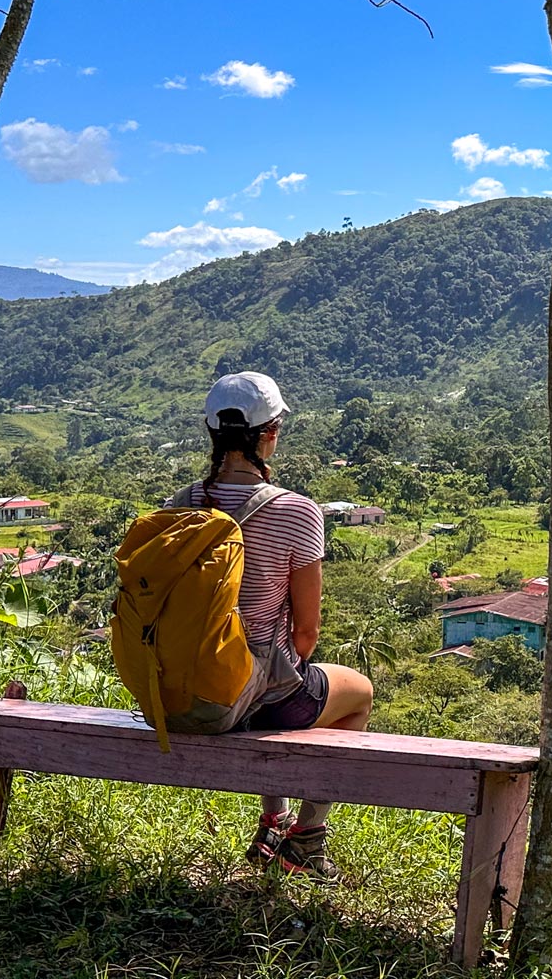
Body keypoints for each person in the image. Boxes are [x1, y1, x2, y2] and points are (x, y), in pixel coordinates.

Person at [181, 371, 373, 882]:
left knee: (269, 681)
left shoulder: (179, 507)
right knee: (357, 692)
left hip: (179, 691)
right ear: (271, 433)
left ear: (211, 433)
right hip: (251, 698)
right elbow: (306, 634)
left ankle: (274, 819)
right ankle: (307, 836)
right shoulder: (296, 511)